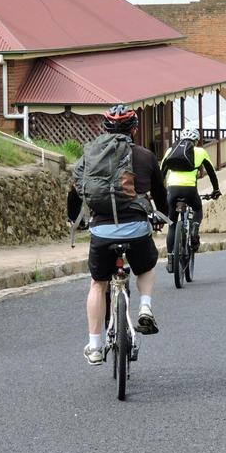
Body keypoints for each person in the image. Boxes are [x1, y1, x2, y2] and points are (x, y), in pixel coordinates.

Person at [74, 105, 169, 366]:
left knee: (98, 284)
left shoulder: (90, 156)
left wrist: (75, 220)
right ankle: (146, 307)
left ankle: (94, 346)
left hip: (101, 230)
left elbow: (76, 190)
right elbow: (160, 193)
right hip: (137, 228)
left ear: (104, 129)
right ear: (134, 130)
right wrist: (161, 216)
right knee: (147, 267)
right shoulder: (145, 156)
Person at [160, 127, 221, 273]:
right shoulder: (200, 152)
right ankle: (194, 228)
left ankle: (170, 259)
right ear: (196, 140)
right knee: (198, 209)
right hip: (190, 190)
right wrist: (216, 190)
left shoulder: (170, 151)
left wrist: (161, 192)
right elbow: (211, 173)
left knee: (173, 225)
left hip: (172, 190)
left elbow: (161, 172)